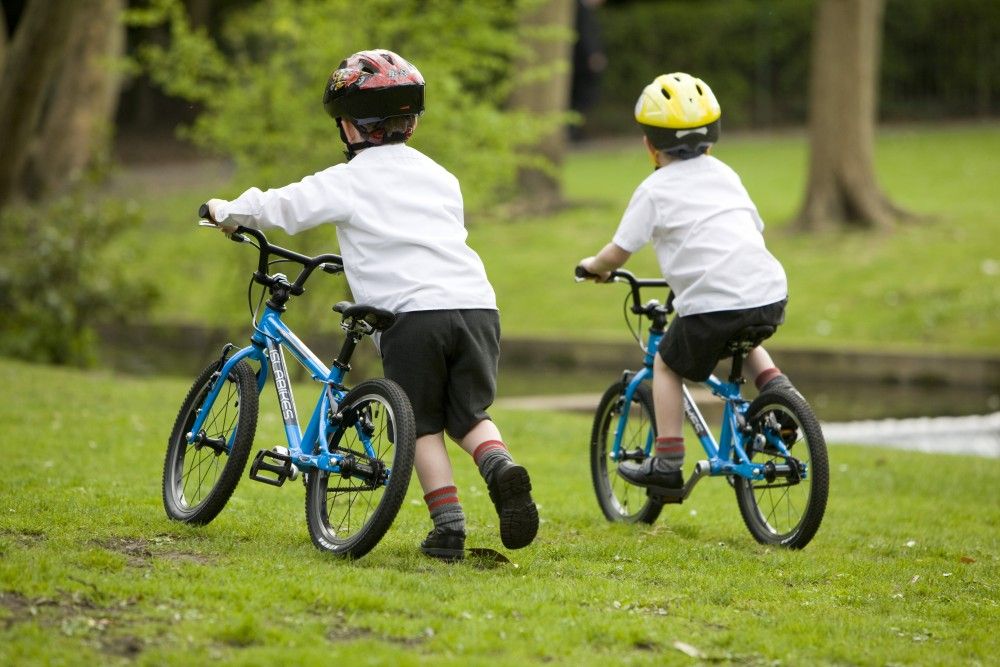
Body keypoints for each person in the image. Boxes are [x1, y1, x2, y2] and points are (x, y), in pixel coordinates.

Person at [203, 49, 538, 560]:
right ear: (411, 121)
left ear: (352, 127)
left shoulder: (349, 179)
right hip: (476, 307)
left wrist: (227, 211)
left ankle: (448, 528)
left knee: (420, 423)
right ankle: (500, 467)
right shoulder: (442, 177)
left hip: (413, 315)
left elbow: (283, 206)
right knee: (469, 414)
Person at [577, 72, 791, 490]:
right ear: (711, 141)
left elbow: (618, 252)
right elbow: (751, 228)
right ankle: (785, 405)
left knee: (667, 364)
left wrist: (594, 266)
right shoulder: (726, 174)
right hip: (767, 292)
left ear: (649, 145)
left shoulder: (654, 190)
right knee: (749, 344)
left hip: (712, 306)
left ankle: (668, 463)